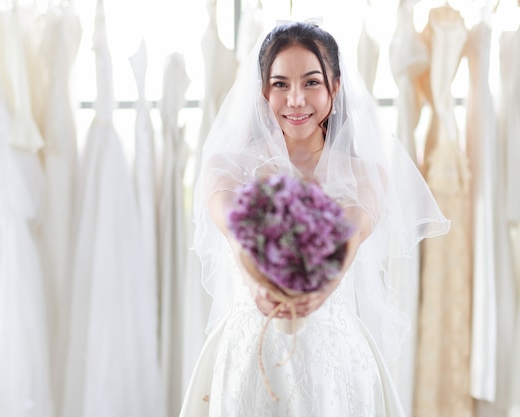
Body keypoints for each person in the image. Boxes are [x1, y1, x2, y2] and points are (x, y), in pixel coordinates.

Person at [179, 20, 450, 417]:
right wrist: (257, 279)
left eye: (310, 83)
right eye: (281, 85)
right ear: (263, 91)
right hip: (250, 349)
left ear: (335, 88)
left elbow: (353, 234)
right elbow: (233, 225)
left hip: (332, 350)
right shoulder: (227, 167)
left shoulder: (365, 174)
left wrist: (320, 290)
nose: (295, 100)